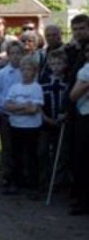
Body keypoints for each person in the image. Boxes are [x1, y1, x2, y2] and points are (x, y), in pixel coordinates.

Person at [2, 56, 44, 198]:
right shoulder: (15, 88)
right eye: (24, 69)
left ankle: (34, 186)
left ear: (34, 72)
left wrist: (16, 108)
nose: (26, 72)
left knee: (32, 156)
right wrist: (23, 106)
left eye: (30, 70)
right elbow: (6, 106)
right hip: (16, 125)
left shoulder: (37, 88)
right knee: (16, 155)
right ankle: (14, 182)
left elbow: (34, 109)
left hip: (32, 127)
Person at [38, 49, 70, 192]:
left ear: (65, 65)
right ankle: (43, 178)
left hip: (62, 121)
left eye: (59, 63)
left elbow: (71, 101)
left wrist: (65, 114)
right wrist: (46, 118)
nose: (56, 66)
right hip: (46, 121)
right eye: (53, 64)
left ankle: (56, 182)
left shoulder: (69, 81)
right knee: (42, 150)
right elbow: (38, 103)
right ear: (49, 64)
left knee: (60, 152)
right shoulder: (43, 81)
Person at [0, 41, 24, 187]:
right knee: (7, 147)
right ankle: (7, 176)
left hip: (24, 114)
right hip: (6, 114)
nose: (15, 57)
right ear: (8, 55)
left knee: (20, 146)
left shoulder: (26, 72)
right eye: (12, 53)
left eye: (18, 53)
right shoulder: (2, 74)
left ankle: (20, 175)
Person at [68, 42, 89, 215]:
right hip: (86, 117)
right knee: (83, 160)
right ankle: (82, 200)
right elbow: (74, 95)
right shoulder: (85, 70)